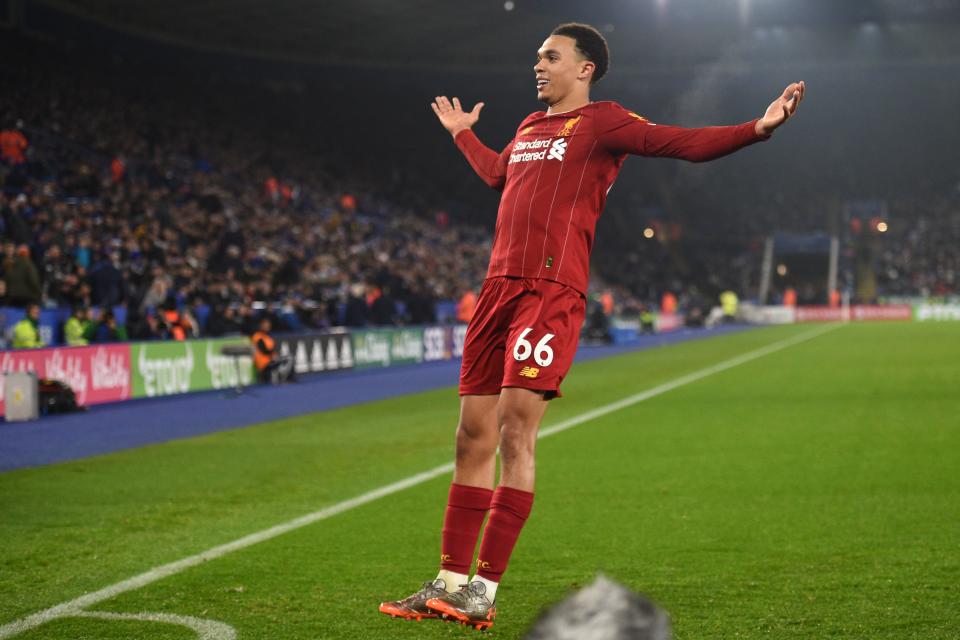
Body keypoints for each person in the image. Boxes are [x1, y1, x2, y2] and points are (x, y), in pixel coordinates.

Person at [379, 22, 804, 630]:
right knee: (470, 436)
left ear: (585, 68)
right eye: (536, 57)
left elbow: (679, 142)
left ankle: (484, 589)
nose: (539, 65)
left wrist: (756, 130)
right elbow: (499, 175)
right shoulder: (528, 128)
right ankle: (447, 582)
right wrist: (464, 137)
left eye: (551, 57)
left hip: (549, 293)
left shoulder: (604, 122)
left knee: (513, 435)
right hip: (497, 289)